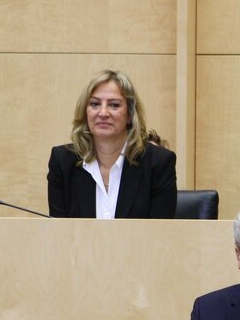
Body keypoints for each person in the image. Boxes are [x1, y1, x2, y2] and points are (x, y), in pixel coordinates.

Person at [47, 70, 177, 218]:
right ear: (85, 112)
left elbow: (160, 235)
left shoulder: (158, 163)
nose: (103, 113)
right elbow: (58, 234)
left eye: (114, 105)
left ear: (130, 115)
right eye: (95, 104)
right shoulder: (63, 162)